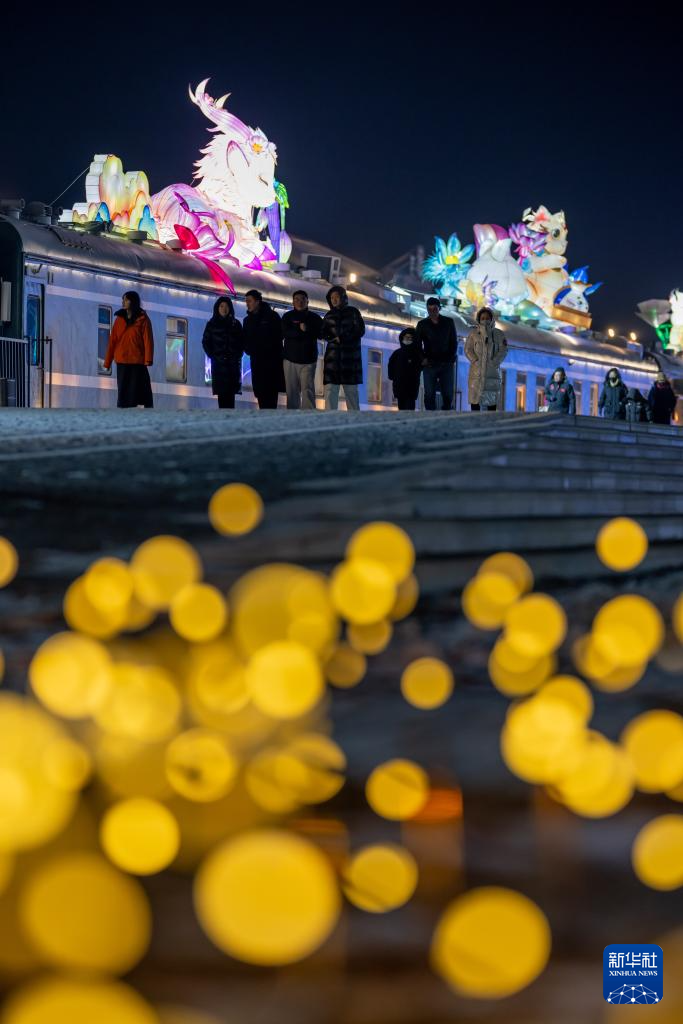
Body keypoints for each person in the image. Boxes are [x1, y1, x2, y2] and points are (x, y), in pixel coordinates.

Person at [103, 291, 154, 408]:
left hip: (136, 361)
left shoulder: (143, 319)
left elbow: (148, 340)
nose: (123, 302)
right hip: (122, 360)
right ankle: (123, 409)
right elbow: (112, 341)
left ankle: (133, 408)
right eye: (123, 300)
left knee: (135, 391)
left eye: (126, 300)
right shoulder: (119, 319)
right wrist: (107, 362)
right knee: (123, 390)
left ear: (133, 301)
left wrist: (148, 359)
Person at [322, 285, 365, 410]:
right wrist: (332, 338)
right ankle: (329, 418)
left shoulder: (353, 312)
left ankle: (354, 419)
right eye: (331, 298)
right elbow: (322, 332)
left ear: (343, 298)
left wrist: (343, 338)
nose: (334, 300)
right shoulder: (329, 315)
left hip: (350, 360)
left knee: (351, 393)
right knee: (330, 392)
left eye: (336, 297)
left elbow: (360, 330)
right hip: (332, 361)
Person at [242, 289, 284, 409]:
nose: (247, 304)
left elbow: (279, 336)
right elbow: (245, 339)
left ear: (257, 302)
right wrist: (248, 349)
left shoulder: (272, 317)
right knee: (261, 395)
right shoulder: (247, 320)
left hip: (271, 364)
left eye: (249, 301)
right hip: (257, 363)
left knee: (271, 396)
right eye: (246, 301)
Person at [281, 290, 323, 410]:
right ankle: (293, 416)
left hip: (308, 361)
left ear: (307, 301)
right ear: (293, 302)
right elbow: (284, 333)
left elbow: (321, 334)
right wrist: (300, 331)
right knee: (291, 391)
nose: (300, 302)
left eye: (303, 299)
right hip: (290, 359)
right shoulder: (287, 317)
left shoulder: (315, 318)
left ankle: (308, 415)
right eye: (297, 299)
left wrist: (307, 329)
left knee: (307, 390)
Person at [201, 296, 244, 409]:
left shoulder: (236, 324)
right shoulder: (211, 324)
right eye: (221, 306)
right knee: (222, 399)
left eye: (226, 306)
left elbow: (241, 342)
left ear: (230, 308)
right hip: (219, 366)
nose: (224, 309)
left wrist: (237, 356)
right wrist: (213, 356)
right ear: (217, 308)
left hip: (232, 367)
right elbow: (205, 342)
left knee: (230, 398)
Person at [415, 297, 457, 410]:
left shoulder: (449, 322)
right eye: (429, 309)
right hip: (430, 363)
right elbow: (417, 344)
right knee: (429, 394)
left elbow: (453, 342)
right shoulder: (422, 324)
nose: (432, 312)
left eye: (434, 309)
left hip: (446, 363)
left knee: (448, 394)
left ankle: (446, 413)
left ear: (439, 308)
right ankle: (430, 414)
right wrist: (423, 359)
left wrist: (450, 359)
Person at [464, 307, 508, 411]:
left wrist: (494, 362)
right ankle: (475, 419)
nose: (485, 320)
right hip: (476, 372)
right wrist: (475, 360)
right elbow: (468, 349)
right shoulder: (473, 334)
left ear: (492, 319)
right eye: (483, 318)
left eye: (487, 318)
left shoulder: (499, 334)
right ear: (479, 319)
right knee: (475, 398)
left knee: (491, 400)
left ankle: (490, 419)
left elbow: (503, 350)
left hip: (492, 373)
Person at [388, 328, 422, 410]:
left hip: (411, 388)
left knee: (410, 408)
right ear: (402, 338)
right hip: (400, 387)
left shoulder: (416, 354)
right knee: (401, 408)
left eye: (410, 338)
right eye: (406, 337)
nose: (408, 339)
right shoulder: (397, 353)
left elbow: (420, 367)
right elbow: (391, 366)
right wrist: (392, 376)